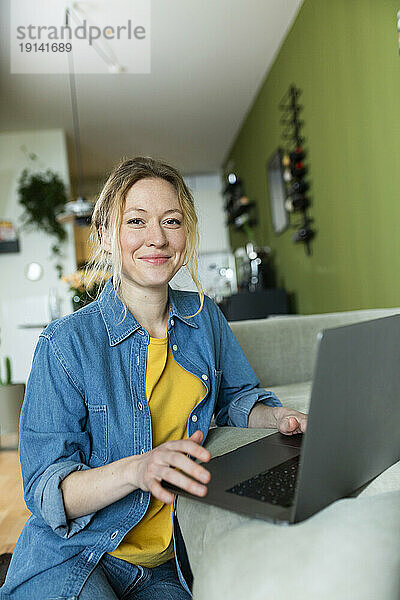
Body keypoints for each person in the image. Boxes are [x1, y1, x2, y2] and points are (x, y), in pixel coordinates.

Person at [0, 157, 307, 600]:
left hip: (166, 569)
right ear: (105, 235)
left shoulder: (206, 320)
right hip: (74, 554)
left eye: (171, 220)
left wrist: (278, 420)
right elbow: (47, 490)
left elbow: (236, 397)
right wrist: (139, 469)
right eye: (137, 221)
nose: (157, 238)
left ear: (187, 232)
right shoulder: (65, 345)